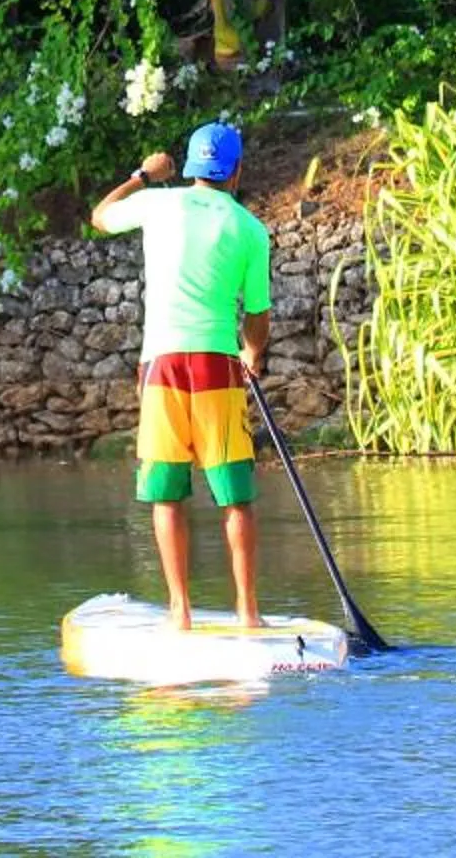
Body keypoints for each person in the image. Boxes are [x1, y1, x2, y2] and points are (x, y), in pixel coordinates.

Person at [90, 119, 272, 630]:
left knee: (166, 491)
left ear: (190, 167)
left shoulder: (158, 203)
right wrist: (252, 355)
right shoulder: (249, 229)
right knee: (236, 496)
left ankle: (180, 611)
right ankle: (249, 613)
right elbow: (257, 315)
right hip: (218, 363)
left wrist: (143, 176)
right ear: (235, 171)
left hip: (164, 366)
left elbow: (100, 216)